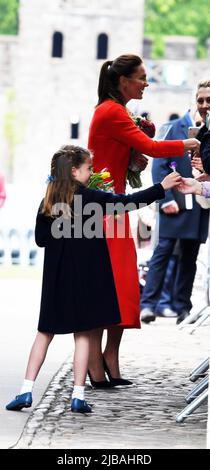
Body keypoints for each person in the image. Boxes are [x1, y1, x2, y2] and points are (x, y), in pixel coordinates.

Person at [5, 144, 182, 413]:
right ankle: (78, 395)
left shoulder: (49, 202)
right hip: (86, 281)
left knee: (44, 334)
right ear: (75, 171)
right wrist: (162, 187)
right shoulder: (92, 198)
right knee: (84, 336)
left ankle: (26, 391)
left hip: (57, 281)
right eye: (89, 168)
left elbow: (41, 241)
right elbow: (128, 202)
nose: (92, 172)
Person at [88, 53, 200, 386]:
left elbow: (134, 160)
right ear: (124, 82)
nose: (146, 83)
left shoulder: (118, 111)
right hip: (104, 209)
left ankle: (109, 357)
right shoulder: (111, 112)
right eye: (141, 78)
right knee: (107, 287)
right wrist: (192, 141)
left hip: (115, 206)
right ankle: (96, 363)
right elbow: (151, 148)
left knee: (123, 288)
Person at [141, 83, 210, 325]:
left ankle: (182, 307)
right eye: (200, 100)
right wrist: (166, 199)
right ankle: (148, 305)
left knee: (190, 256)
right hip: (176, 198)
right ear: (195, 101)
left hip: (201, 201)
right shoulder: (174, 128)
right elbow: (159, 164)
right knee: (162, 252)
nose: (204, 105)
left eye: (208, 100)